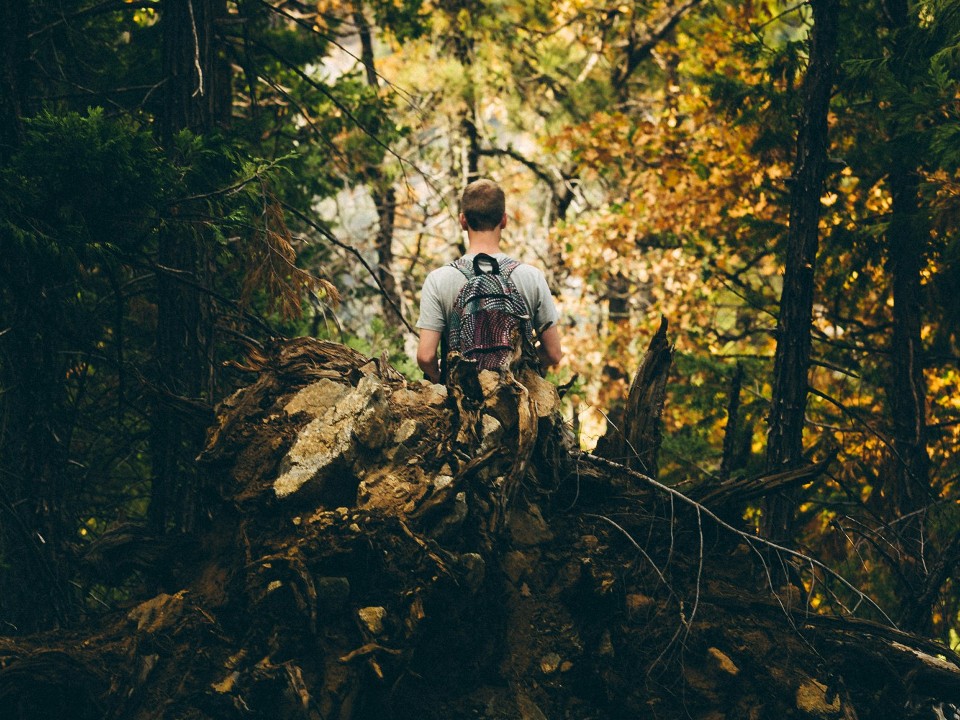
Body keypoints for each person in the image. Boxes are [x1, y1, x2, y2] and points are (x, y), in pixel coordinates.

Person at [416, 178, 563, 383]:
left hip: (463, 405)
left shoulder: (438, 280)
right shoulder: (532, 277)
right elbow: (554, 353)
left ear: (463, 220)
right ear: (504, 220)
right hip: (516, 404)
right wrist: (517, 366)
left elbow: (425, 356)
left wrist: (440, 375)